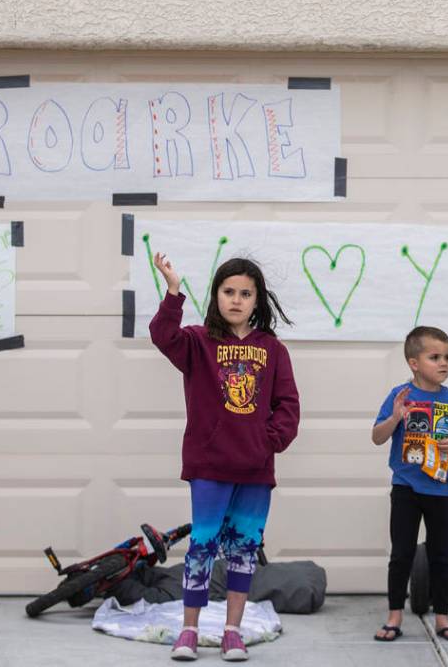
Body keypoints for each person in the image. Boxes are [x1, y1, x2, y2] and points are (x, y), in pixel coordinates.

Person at [150, 253, 300, 662]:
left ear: (257, 300)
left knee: (243, 550)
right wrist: (173, 292)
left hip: (255, 470)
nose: (236, 300)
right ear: (216, 295)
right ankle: (190, 630)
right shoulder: (197, 343)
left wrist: (266, 442)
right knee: (202, 546)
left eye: (245, 293)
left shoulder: (271, 349)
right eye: (229, 291)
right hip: (209, 466)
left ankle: (233, 630)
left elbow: (287, 405)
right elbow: (162, 335)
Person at [371, 325, 448, 643]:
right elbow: (377, 437)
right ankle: (394, 615)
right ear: (413, 363)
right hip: (406, 487)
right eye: (435, 357)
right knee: (401, 553)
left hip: (442, 489)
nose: (444, 363)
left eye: (447, 357)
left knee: (442, 555)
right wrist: (395, 418)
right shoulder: (399, 396)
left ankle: (443, 616)